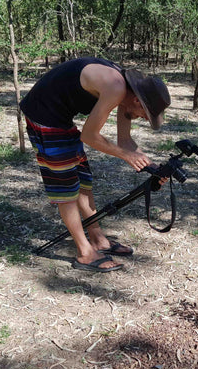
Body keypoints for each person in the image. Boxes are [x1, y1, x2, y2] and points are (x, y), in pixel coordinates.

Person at [20, 57, 171, 273]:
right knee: (66, 186)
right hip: (43, 116)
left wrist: (151, 167)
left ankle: (98, 239)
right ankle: (85, 252)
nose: (143, 119)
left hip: (61, 118)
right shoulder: (116, 88)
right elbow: (89, 136)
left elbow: (125, 142)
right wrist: (126, 156)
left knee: (83, 180)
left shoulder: (127, 93)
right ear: (138, 101)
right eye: (145, 116)